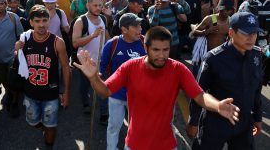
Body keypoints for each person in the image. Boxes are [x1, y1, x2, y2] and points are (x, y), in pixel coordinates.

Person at [74, 26, 240, 150]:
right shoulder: (129, 67)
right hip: (134, 145)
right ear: (145, 48)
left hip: (166, 145)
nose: (161, 56)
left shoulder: (178, 69)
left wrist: (218, 106)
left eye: (165, 50)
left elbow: (199, 95)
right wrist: (93, 77)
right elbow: (105, 91)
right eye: (156, 50)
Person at [188, 12, 263, 150]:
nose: (251, 37)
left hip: (244, 123)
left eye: (254, 33)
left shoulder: (256, 55)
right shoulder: (213, 58)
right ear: (231, 32)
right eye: (246, 33)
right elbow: (199, 91)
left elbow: (256, 89)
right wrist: (193, 121)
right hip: (216, 122)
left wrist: (257, 117)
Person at [15, 5, 71, 148]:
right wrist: (16, 52)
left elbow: (65, 67)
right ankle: (43, 127)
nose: (41, 24)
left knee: (51, 126)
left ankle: (49, 145)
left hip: (51, 94)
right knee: (32, 122)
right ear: (31, 22)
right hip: (30, 92)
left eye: (44, 20)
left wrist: (66, 92)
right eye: (37, 21)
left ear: (49, 22)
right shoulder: (24, 40)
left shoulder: (57, 42)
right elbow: (18, 62)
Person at [100, 13, 146, 150]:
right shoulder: (112, 44)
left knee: (136, 128)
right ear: (124, 29)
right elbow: (103, 68)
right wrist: (99, 80)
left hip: (138, 96)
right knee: (114, 126)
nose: (140, 29)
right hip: (116, 95)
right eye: (135, 26)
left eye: (140, 25)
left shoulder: (145, 43)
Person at [72, 0, 110, 116]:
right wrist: (92, 36)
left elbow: (106, 37)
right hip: (86, 60)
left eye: (100, 5)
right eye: (95, 5)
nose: (98, 8)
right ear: (88, 5)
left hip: (101, 59)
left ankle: (104, 113)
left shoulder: (103, 18)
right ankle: (85, 104)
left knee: (101, 84)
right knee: (85, 85)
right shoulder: (81, 21)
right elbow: (75, 43)